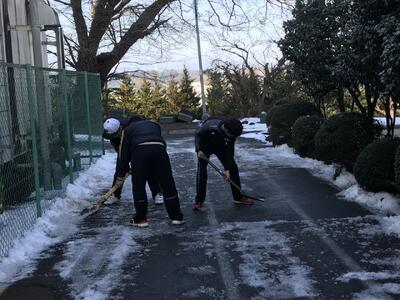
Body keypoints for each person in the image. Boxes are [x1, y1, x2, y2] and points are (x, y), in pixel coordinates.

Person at [112, 118, 184, 227]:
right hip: (160, 151)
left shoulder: (127, 131)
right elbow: (157, 141)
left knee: (139, 185)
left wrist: (121, 175)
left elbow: (124, 156)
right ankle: (176, 217)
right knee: (168, 184)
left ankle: (141, 219)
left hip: (139, 153)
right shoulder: (154, 124)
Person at [193, 117, 253, 210]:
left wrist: (227, 169)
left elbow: (230, 151)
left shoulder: (233, 130)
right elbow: (198, 135)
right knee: (202, 171)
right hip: (205, 146)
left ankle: (238, 197)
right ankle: (199, 200)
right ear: (225, 128)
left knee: (233, 167)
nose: (232, 137)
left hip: (222, 147)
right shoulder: (209, 126)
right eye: (231, 135)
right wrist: (198, 149)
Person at [103, 117, 163, 205]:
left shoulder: (132, 128)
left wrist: (135, 162)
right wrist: (124, 169)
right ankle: (115, 195)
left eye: (115, 135)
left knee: (149, 169)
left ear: (120, 129)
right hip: (128, 148)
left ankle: (157, 193)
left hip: (141, 147)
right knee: (119, 169)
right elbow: (121, 156)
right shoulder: (114, 136)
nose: (113, 137)